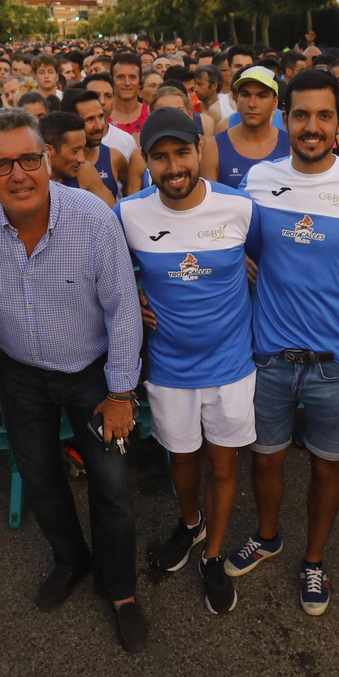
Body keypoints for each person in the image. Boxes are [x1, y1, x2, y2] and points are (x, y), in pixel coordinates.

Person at [0, 108, 150, 651]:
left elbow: (124, 309)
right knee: (40, 479)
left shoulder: (92, 217)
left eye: (29, 159)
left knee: (113, 487)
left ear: (48, 159)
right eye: (2, 164)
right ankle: (71, 559)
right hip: (21, 373)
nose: (19, 175)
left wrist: (121, 392)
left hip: (94, 374)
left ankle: (119, 588)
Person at [227, 69, 339, 616]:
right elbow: (239, 251)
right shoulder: (257, 180)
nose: (312, 126)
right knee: (266, 458)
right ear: (285, 118)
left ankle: (315, 559)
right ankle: (270, 537)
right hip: (270, 354)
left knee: (328, 465)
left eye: (325, 115)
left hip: (337, 360)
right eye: (301, 115)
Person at [115, 109, 256, 615]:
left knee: (223, 465)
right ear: (146, 161)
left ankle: (213, 556)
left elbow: (267, 265)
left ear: (199, 149)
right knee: (181, 461)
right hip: (169, 368)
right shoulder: (128, 213)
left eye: (181, 153)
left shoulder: (240, 208)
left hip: (233, 366)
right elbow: (108, 275)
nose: (172, 166)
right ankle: (191, 522)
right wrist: (134, 292)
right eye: (159, 156)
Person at [201, 66, 289, 189]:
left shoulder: (291, 146)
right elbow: (209, 202)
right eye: (245, 95)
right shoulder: (213, 148)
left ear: (275, 103)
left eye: (262, 96)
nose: (252, 104)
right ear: (237, 100)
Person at [40, 110, 114, 206]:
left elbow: (113, 216)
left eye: (83, 149)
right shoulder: (27, 176)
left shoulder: (84, 172)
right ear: (48, 151)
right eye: (75, 151)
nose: (82, 159)